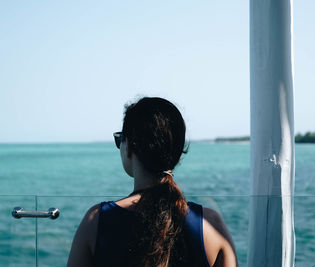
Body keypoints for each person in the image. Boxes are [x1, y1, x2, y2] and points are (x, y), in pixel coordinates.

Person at [67, 97, 238, 267]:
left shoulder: (97, 221)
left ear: (129, 148)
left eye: (120, 140)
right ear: (177, 152)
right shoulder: (212, 226)